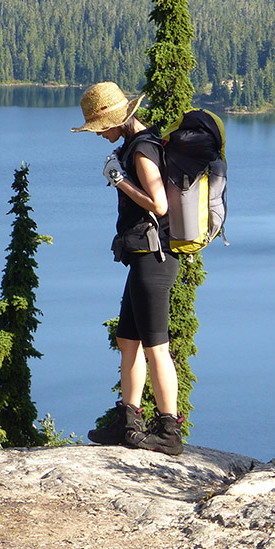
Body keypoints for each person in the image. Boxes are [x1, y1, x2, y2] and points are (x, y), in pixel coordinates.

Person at [72, 81, 184, 456]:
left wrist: (119, 181)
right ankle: (129, 421)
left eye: (100, 127)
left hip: (154, 259)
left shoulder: (142, 149)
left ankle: (169, 430)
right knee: (128, 341)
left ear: (117, 120)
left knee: (157, 348)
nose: (99, 134)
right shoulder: (134, 145)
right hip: (142, 259)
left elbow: (159, 204)